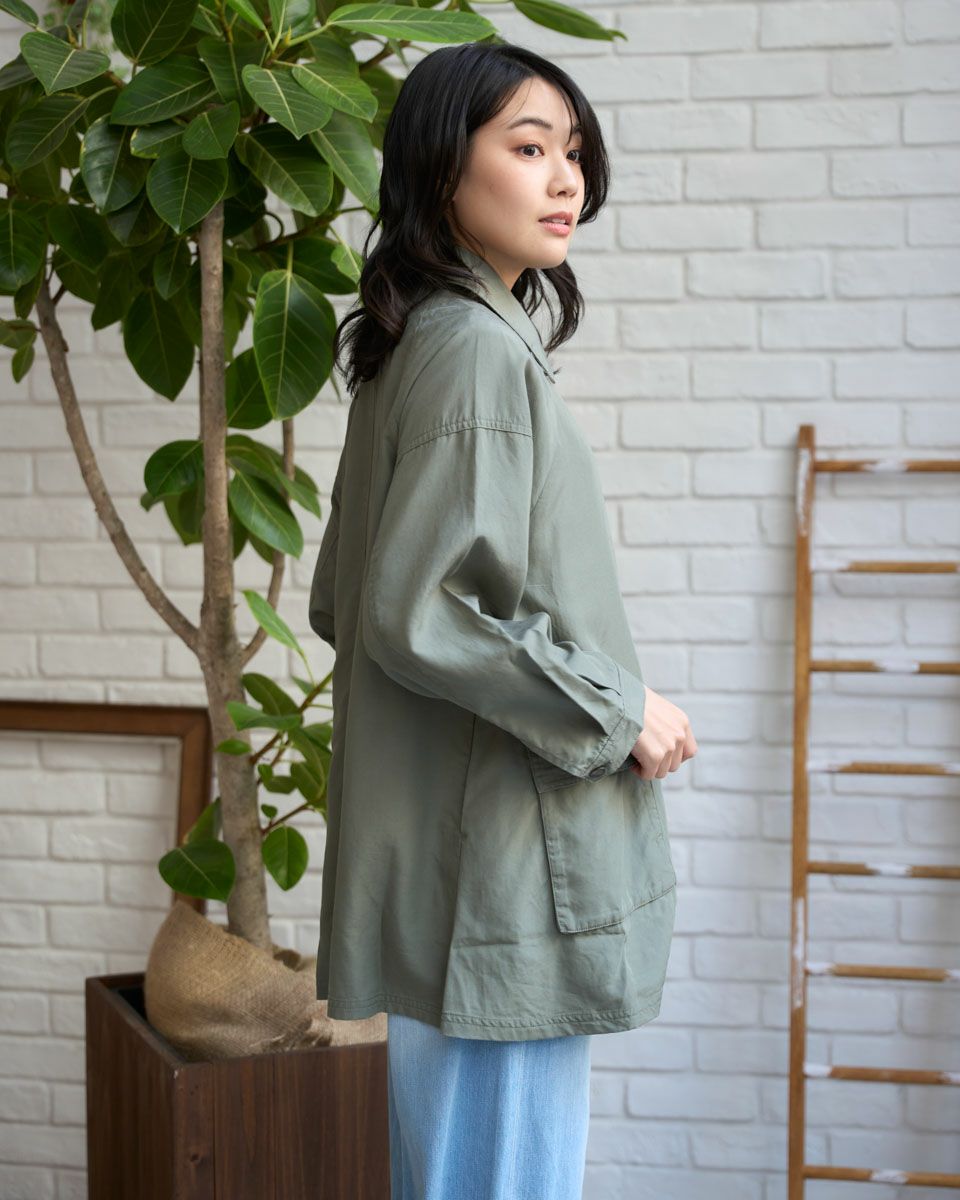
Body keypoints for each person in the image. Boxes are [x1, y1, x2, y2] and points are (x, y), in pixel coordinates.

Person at [309, 41, 697, 1200]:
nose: (565, 178)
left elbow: (344, 600)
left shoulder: (417, 344)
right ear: (442, 169)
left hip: (452, 866)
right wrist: (617, 707)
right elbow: (420, 609)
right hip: (500, 875)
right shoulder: (476, 354)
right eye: (529, 149)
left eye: (571, 151)